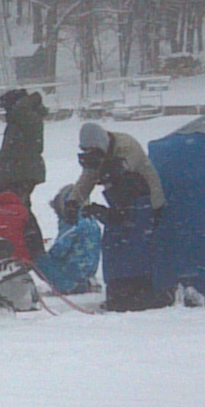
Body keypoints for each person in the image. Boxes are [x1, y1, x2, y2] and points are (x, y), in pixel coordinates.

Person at [72, 120, 167, 311]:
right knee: (114, 247)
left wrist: (108, 210)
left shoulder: (126, 146)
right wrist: (73, 201)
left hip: (144, 201)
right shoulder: (99, 155)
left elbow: (122, 174)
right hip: (119, 205)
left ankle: (140, 293)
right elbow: (87, 178)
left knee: (136, 249)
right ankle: (118, 292)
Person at [0, 89, 48, 205]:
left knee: (16, 206)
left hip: (21, 174)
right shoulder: (20, 121)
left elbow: (11, 151)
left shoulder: (26, 118)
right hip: (20, 173)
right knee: (18, 207)